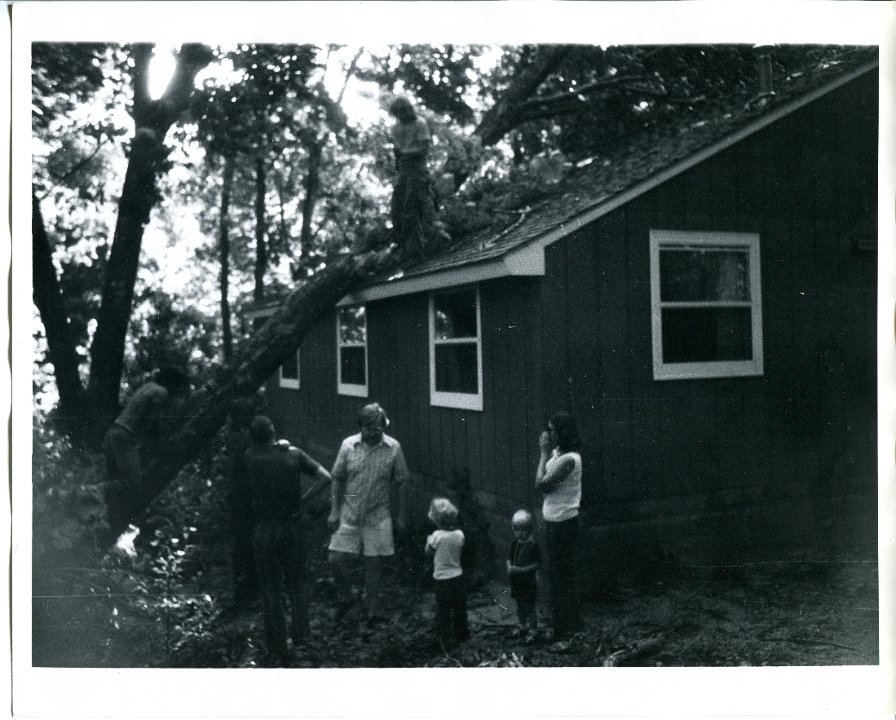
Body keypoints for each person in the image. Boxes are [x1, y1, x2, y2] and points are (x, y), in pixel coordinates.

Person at [244, 415, 332, 666]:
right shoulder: (293, 455)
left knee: (270, 588)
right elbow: (326, 477)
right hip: (291, 525)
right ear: (274, 433)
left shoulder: (250, 457)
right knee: (297, 584)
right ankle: (303, 640)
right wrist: (304, 499)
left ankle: (277, 647)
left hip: (264, 528)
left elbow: (258, 448)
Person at [327, 403, 410, 624]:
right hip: (350, 509)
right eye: (369, 428)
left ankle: (373, 609)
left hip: (378, 512)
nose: (374, 433)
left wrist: (401, 515)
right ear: (361, 427)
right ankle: (348, 595)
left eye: (378, 429)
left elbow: (402, 482)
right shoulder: (348, 446)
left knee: (373, 564)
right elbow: (336, 478)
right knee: (335, 559)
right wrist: (335, 510)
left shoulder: (393, 448)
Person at [103, 366, 191, 526]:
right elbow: (154, 423)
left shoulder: (147, 387)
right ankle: (87, 491)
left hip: (113, 432)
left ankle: (98, 515)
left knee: (113, 482)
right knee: (132, 482)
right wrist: (164, 444)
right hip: (124, 437)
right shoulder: (161, 392)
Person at [535, 411, 583, 652]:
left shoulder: (570, 460)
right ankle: (560, 630)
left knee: (564, 579)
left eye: (552, 429)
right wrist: (547, 454)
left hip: (564, 524)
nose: (547, 433)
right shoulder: (559, 455)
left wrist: (543, 453)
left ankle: (570, 635)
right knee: (556, 578)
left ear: (562, 432)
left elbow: (541, 484)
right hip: (554, 522)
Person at [388, 95, 438, 259]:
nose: (402, 116)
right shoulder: (395, 129)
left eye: (404, 112)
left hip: (417, 170)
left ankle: (415, 251)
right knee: (397, 209)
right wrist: (398, 170)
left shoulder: (420, 124)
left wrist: (406, 154)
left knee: (412, 209)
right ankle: (403, 247)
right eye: (398, 114)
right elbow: (397, 154)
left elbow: (424, 149)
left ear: (409, 109)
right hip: (403, 170)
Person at [425, 497, 469, 649]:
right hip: (457, 576)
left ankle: (444, 637)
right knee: (459, 607)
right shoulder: (459, 534)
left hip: (442, 579)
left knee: (443, 609)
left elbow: (428, 551)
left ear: (437, 520)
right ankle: (462, 634)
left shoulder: (437, 536)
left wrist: (429, 540)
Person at [506, 509, 541, 643]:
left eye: (522, 530)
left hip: (528, 582)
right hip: (517, 582)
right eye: (516, 530)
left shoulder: (533, 546)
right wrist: (509, 567)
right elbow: (509, 559)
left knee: (529, 607)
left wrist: (520, 570)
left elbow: (537, 565)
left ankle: (533, 629)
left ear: (529, 530)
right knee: (520, 605)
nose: (519, 533)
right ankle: (522, 626)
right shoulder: (514, 544)